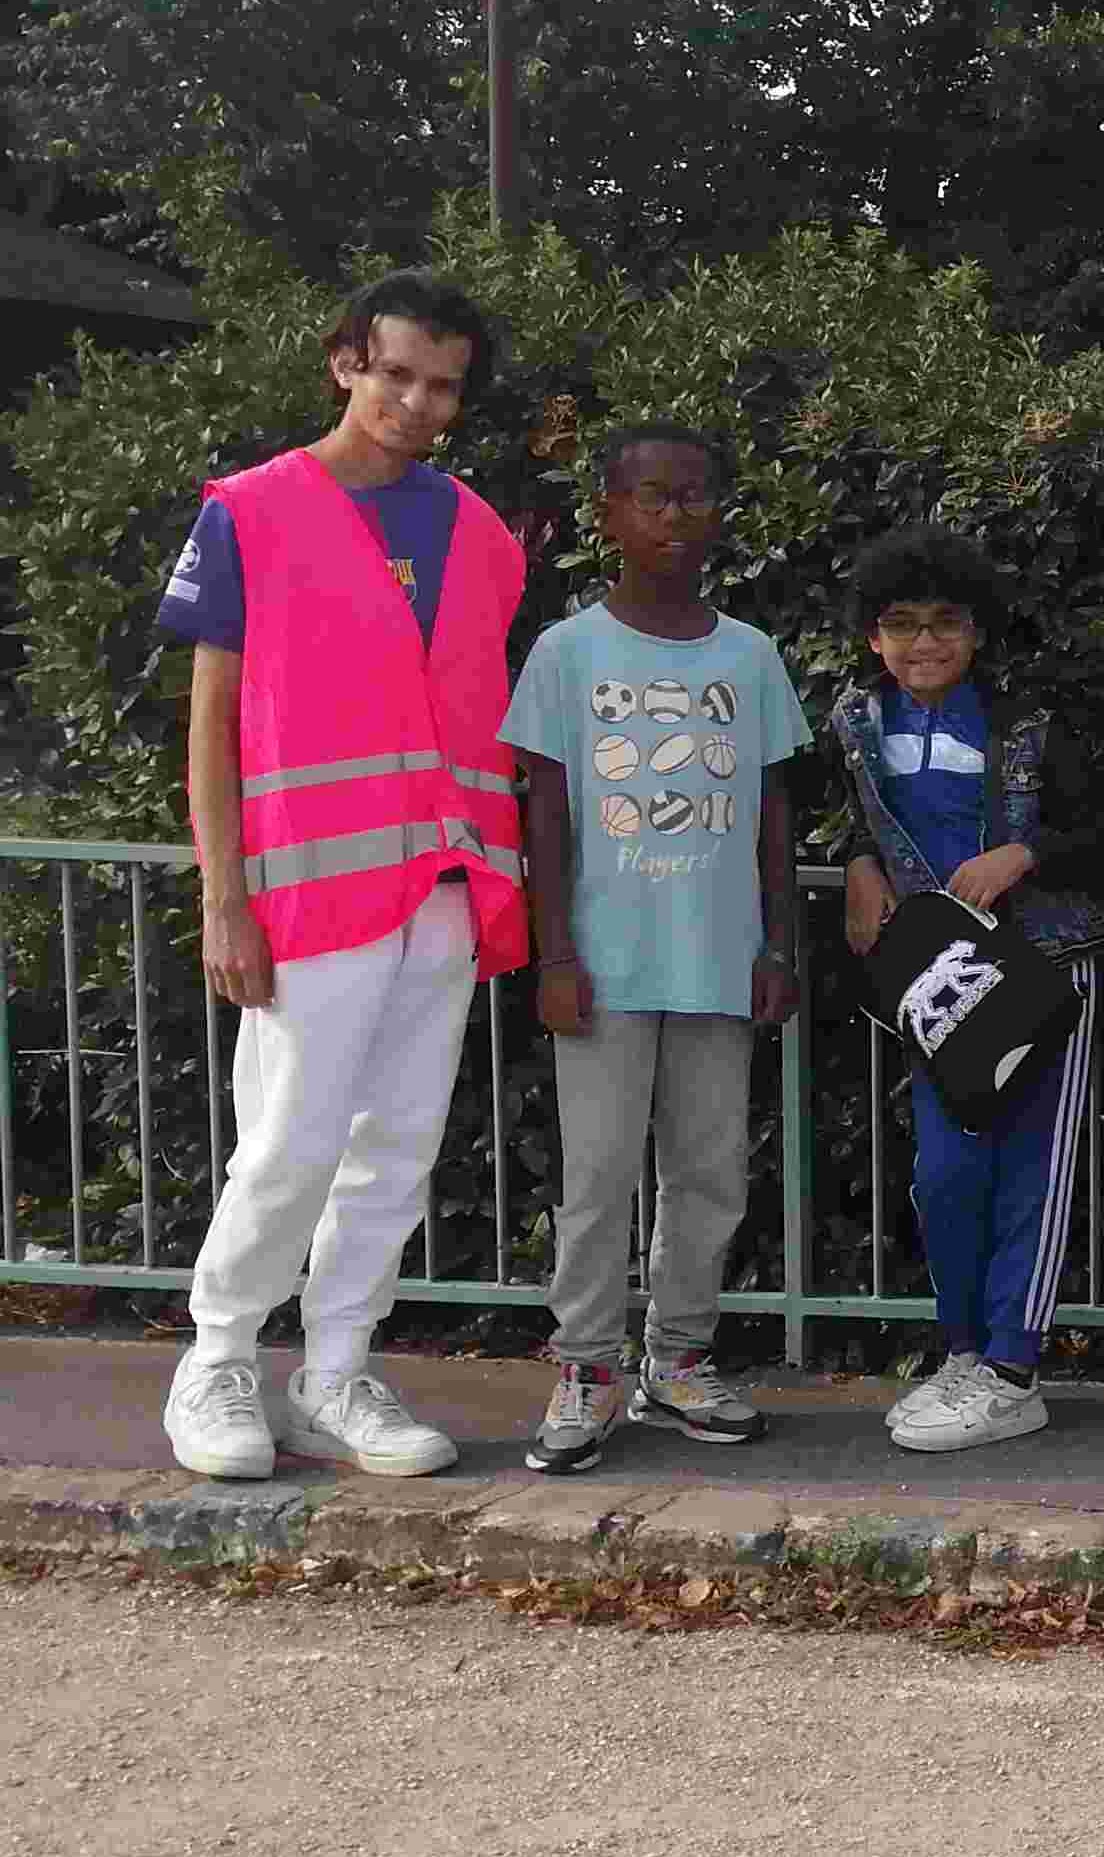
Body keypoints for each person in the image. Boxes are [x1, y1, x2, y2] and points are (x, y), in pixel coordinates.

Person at [157, 271, 525, 1482]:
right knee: (289, 1139)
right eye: (398, 374)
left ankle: (336, 1370)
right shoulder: (252, 510)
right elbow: (209, 723)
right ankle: (215, 1360)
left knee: (400, 1144)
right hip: (311, 892)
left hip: (444, 883)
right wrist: (224, 896)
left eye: (444, 387)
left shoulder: (480, 531)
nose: (417, 403)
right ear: (346, 364)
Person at [502, 424, 807, 1474]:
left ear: (720, 511)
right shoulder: (568, 650)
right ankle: (587, 1366)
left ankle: (679, 1357)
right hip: (602, 964)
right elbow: (543, 812)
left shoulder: (750, 654)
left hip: (719, 960)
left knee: (710, 1172)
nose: (672, 516)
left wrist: (777, 946)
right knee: (594, 1177)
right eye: (650, 497)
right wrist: (553, 956)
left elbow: (774, 809)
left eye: (693, 496)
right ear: (608, 515)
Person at [828, 525, 1104, 1453]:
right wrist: (860, 859)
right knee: (946, 1173)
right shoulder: (855, 720)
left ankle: (1013, 1366)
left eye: (944, 622)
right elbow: (849, 815)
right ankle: (962, 1351)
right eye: (901, 625)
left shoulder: (1031, 719)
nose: (924, 642)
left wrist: (1024, 852)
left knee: (1031, 1169)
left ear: (977, 629)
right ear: (873, 636)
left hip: (1044, 969)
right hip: (939, 980)